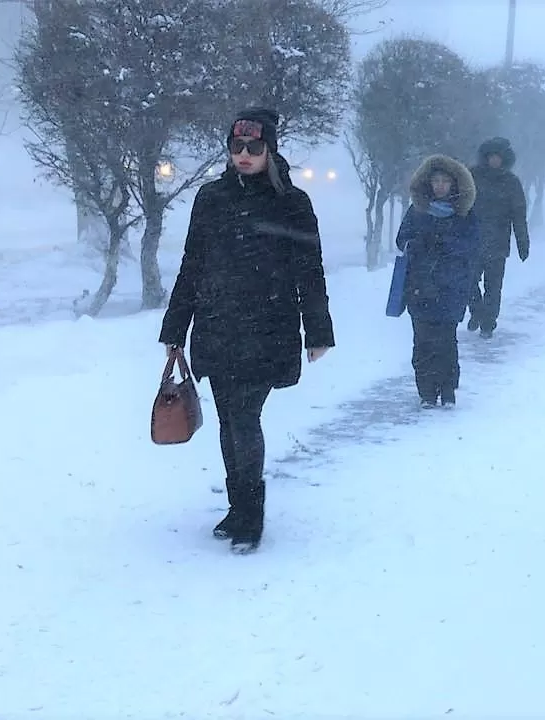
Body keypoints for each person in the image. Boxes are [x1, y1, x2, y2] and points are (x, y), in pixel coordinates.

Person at [158, 107, 335, 555]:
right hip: (217, 325)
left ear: (269, 149)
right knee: (227, 419)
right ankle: (237, 508)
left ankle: (251, 516)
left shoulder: (291, 204)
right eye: (236, 146)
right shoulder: (211, 198)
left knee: (245, 417)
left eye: (254, 147)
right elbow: (191, 265)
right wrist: (175, 327)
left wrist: (317, 331)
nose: (244, 155)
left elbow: (309, 271)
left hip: (267, 326)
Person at [395, 154, 481, 408]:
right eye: (436, 181)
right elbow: (402, 239)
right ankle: (426, 391)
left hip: (451, 288)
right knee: (422, 341)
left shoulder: (465, 215)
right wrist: (418, 244)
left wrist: (448, 245)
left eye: (445, 181)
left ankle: (447, 387)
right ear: (428, 183)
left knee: (446, 340)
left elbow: (473, 245)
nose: (440, 186)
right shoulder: (417, 211)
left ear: (454, 184)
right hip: (420, 286)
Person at [467, 137, 530, 339]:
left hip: (498, 243)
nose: (495, 161)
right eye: (491, 156)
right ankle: (476, 311)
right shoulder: (471, 177)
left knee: (493, 287)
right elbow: (460, 204)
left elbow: (519, 215)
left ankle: (488, 323)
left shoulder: (512, 183)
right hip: (471, 240)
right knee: (468, 281)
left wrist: (522, 242)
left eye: (499, 157)